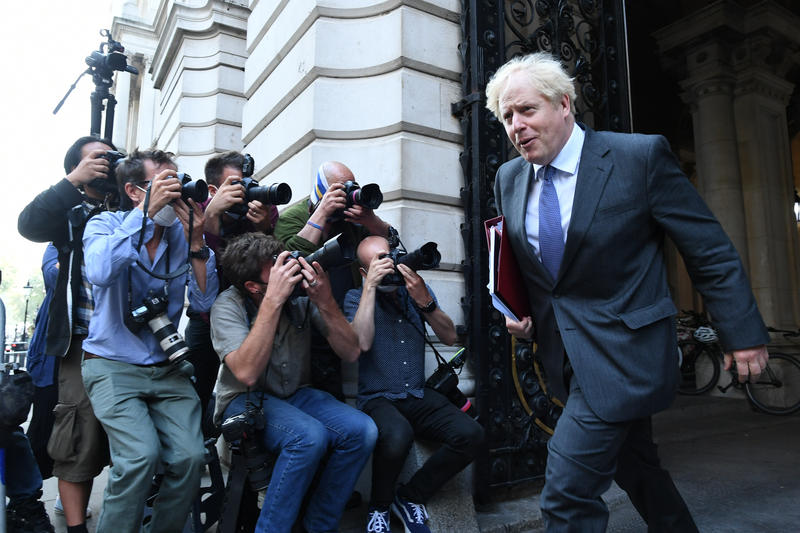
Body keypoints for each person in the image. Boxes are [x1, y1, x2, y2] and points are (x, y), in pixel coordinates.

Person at [484, 52, 770, 532]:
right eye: (507, 116)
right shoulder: (508, 178)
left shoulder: (639, 158)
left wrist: (742, 333)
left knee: (567, 494)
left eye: (527, 110)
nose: (517, 126)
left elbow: (709, 251)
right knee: (638, 471)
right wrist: (523, 313)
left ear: (565, 104)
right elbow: (538, 272)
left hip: (628, 354)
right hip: (565, 357)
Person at [81, 149, 219, 533]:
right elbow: (99, 271)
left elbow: (205, 302)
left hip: (165, 364)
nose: (174, 192)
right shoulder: (105, 224)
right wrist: (142, 220)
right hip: (112, 363)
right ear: (134, 190)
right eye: (164, 183)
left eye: (177, 181)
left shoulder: (181, 233)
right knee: (140, 457)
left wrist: (196, 239)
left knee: (191, 458)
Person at [209, 232, 377, 533]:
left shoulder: (299, 300)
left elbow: (350, 350)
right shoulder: (228, 305)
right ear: (253, 287)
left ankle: (319, 526)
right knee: (307, 437)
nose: (285, 273)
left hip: (295, 394)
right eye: (273, 272)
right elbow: (246, 372)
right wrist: (272, 301)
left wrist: (325, 301)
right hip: (244, 398)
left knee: (361, 431)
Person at [344, 236, 485, 533]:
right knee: (398, 434)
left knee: (471, 434)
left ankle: (409, 497)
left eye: (389, 258)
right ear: (363, 272)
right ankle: (379, 507)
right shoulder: (355, 298)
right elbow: (361, 344)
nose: (387, 267)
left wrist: (426, 302)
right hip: (378, 397)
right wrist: (370, 288)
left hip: (417, 393)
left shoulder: (414, 292)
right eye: (377, 263)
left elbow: (449, 337)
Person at [18, 136, 117, 533]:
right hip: (79, 342)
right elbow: (29, 224)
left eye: (113, 156)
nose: (107, 163)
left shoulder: (130, 204)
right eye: (97, 158)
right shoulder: (68, 210)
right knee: (78, 437)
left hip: (131, 343)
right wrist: (72, 181)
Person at [273, 161, 392, 399]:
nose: (347, 195)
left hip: (341, 314)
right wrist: (321, 213)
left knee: (335, 387)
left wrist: (370, 220)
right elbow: (289, 257)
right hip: (303, 315)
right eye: (339, 189)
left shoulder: (350, 221)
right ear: (321, 190)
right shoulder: (293, 217)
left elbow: (390, 240)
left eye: (351, 187)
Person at [184, 150, 279, 421]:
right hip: (205, 315)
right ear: (213, 189)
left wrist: (263, 228)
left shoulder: (263, 207)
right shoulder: (196, 210)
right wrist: (211, 217)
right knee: (196, 389)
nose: (247, 191)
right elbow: (199, 262)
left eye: (249, 182)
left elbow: (260, 261)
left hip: (249, 310)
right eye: (237, 184)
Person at [24, 244, 59, 481]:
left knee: (82, 432)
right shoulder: (57, 243)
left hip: (90, 350)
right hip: (51, 355)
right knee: (42, 427)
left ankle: (70, 490)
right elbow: (54, 275)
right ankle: (25, 498)